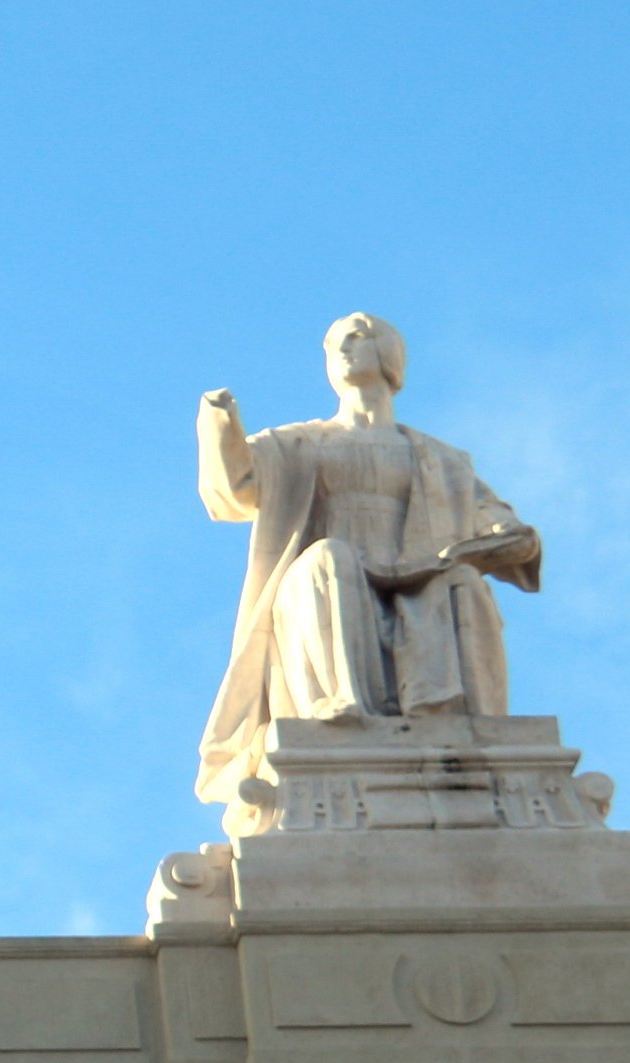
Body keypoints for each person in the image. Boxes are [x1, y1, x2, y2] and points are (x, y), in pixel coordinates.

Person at [194, 309, 540, 806]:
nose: (342, 348)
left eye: (357, 336)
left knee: (457, 584)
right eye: (334, 343)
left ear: (389, 354)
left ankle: (447, 722)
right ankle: (341, 710)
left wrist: (505, 534)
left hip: (420, 575)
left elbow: (497, 521)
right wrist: (219, 419)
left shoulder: (441, 458)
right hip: (328, 578)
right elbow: (233, 488)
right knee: (329, 560)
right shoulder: (297, 443)